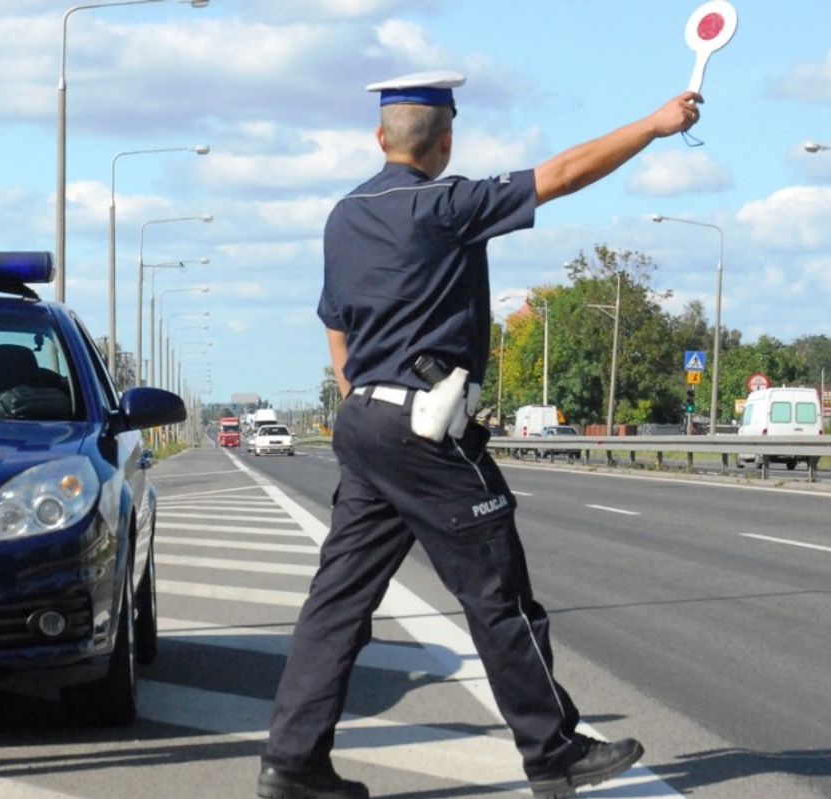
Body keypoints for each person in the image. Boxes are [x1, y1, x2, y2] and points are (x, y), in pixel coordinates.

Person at [257, 72, 702, 799]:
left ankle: (292, 762)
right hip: (425, 429)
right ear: (447, 140)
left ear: (380, 138)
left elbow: (334, 322)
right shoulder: (446, 203)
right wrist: (653, 126)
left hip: (363, 422)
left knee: (337, 603)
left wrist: (360, 396)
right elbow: (559, 175)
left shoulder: (343, 215)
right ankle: (552, 749)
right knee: (498, 593)